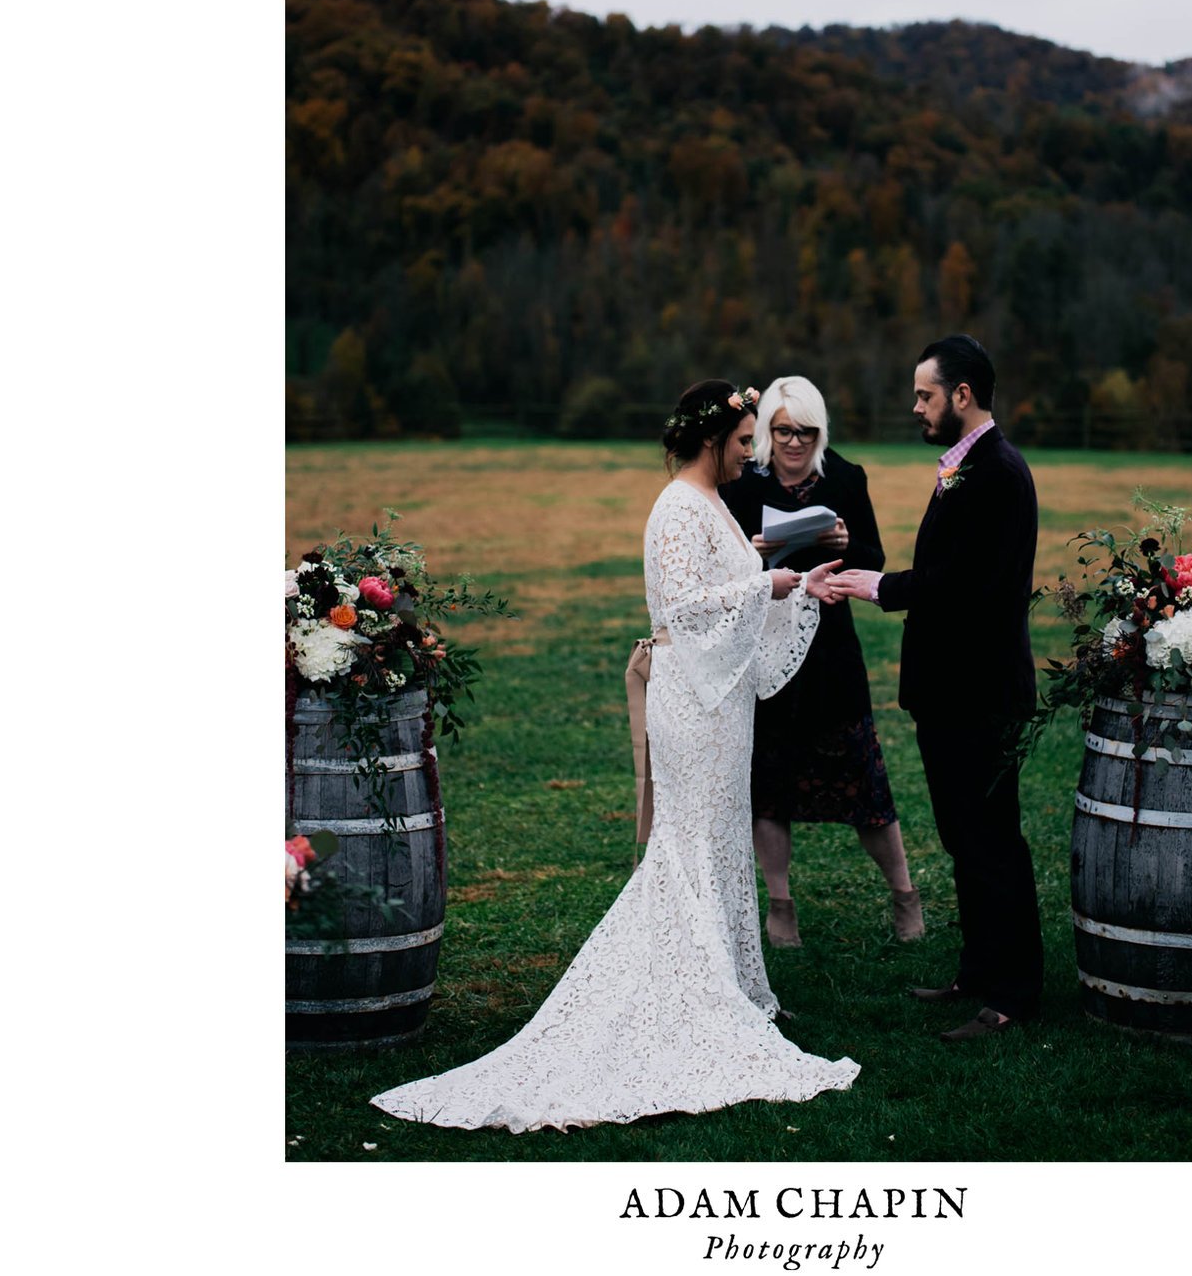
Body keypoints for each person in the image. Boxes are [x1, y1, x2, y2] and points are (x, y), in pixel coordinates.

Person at [373, 380, 854, 1130]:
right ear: (711, 437)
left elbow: (732, 590)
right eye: (743, 440)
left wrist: (799, 587)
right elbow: (685, 607)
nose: (751, 453)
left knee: (719, 841)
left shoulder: (715, 505)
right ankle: (688, 995)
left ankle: (720, 986)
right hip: (692, 705)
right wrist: (770, 581)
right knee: (689, 843)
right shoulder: (677, 508)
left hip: (720, 706)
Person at [819, 336, 1043, 1041]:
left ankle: (1012, 993)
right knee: (963, 837)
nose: (917, 406)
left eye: (925, 394)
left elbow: (969, 589)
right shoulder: (965, 468)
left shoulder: (997, 473)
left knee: (991, 840)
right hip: (951, 694)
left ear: (963, 395)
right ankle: (978, 971)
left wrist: (879, 585)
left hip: (980, 695)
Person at [720, 376, 922, 949]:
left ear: (820, 431)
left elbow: (873, 559)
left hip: (831, 651)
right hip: (765, 652)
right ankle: (780, 906)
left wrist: (843, 546)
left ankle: (904, 893)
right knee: (769, 786)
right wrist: (753, 554)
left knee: (865, 782)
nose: (793, 443)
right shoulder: (742, 483)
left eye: (805, 432)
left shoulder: (846, 477)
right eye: (782, 431)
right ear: (765, 432)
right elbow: (726, 570)